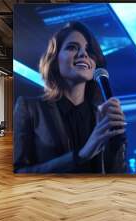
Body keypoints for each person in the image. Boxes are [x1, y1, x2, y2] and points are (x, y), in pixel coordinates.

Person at [13, 22, 127, 173]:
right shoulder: (29, 108)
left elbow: (117, 174)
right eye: (72, 47)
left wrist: (116, 143)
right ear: (54, 60)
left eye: (89, 50)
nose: (83, 54)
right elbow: (19, 173)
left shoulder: (102, 116)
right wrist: (81, 155)